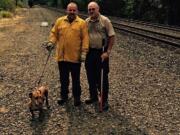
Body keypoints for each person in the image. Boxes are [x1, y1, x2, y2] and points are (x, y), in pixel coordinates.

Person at [47, 2, 89, 106]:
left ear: (77, 11)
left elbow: (85, 38)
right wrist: (51, 42)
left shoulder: (82, 23)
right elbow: (54, 33)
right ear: (67, 10)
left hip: (75, 57)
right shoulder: (59, 21)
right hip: (62, 57)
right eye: (70, 10)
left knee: (76, 79)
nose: (72, 12)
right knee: (63, 79)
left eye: (74, 10)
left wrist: (84, 52)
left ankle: (77, 97)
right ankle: (64, 96)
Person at [85, 1, 115, 111]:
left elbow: (112, 36)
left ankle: (104, 100)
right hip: (90, 52)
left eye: (93, 9)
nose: (91, 11)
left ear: (98, 9)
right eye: (90, 9)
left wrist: (108, 52)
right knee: (90, 75)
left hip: (102, 52)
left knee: (102, 77)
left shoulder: (105, 21)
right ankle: (93, 96)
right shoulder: (86, 21)